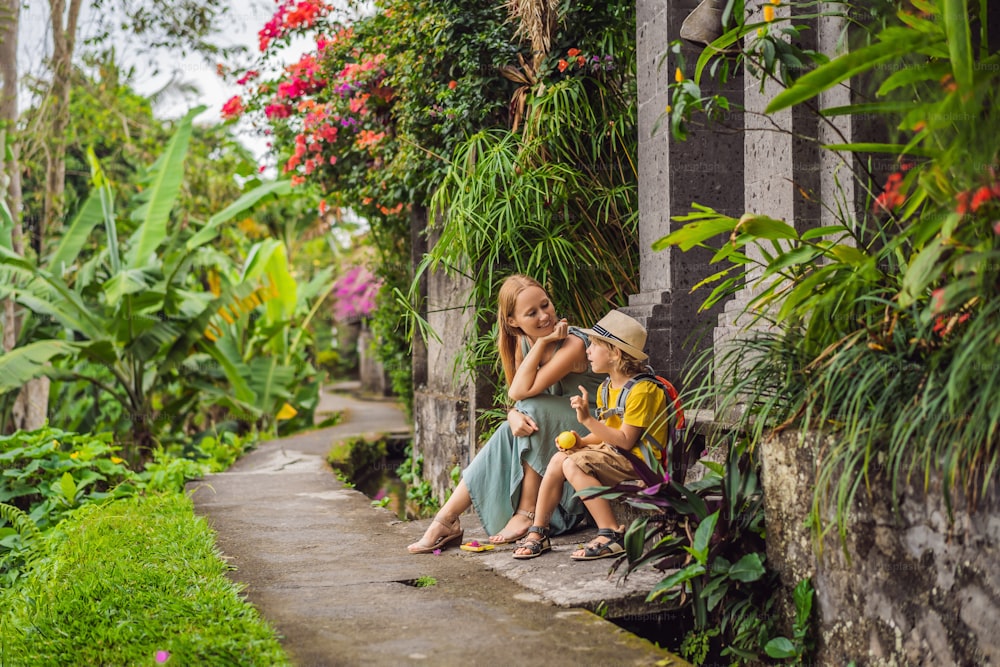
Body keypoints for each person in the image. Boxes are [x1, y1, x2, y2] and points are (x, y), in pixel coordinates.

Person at [407, 275, 604, 554]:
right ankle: (446, 519)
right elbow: (521, 396)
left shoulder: (572, 344)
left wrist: (543, 346)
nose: (544, 316)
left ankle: (526, 512)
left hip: (594, 423)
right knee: (509, 428)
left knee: (532, 415)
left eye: (545, 305)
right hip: (558, 424)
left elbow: (522, 394)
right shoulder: (526, 343)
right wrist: (512, 414)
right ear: (513, 321)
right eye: (531, 313)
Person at [512, 310, 668, 560]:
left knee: (574, 465)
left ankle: (610, 533)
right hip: (616, 455)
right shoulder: (608, 387)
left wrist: (587, 421)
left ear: (615, 353)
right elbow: (609, 434)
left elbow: (626, 440)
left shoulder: (643, 391)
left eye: (595, 345)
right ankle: (539, 531)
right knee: (559, 459)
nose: (587, 350)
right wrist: (583, 441)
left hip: (641, 464)